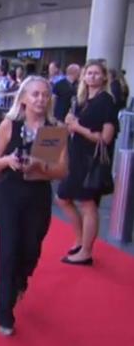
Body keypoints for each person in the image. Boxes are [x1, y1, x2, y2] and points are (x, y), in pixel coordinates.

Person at [0, 76, 68, 336]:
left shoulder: (52, 129)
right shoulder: (10, 125)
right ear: (23, 98)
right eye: (35, 94)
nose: (40, 99)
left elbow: (60, 171)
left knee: (30, 249)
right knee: (7, 251)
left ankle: (21, 280)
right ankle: (4, 312)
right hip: (10, 193)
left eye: (45, 95)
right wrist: (8, 161)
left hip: (37, 195)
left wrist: (38, 165)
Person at [57, 60, 119, 265]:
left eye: (96, 73)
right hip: (76, 157)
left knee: (87, 203)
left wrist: (78, 127)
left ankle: (86, 251)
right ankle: (80, 239)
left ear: (103, 77)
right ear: (83, 76)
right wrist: (70, 123)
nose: (91, 76)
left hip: (91, 161)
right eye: (88, 73)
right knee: (63, 197)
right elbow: (73, 126)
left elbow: (106, 137)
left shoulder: (106, 101)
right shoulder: (83, 100)